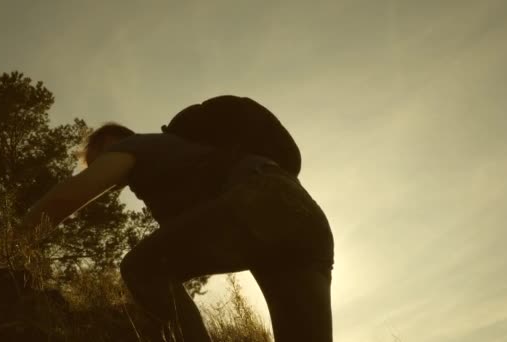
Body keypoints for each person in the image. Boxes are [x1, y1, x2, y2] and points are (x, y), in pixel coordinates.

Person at [20, 103, 334, 341]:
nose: (95, 166)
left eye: (95, 159)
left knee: (143, 268)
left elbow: (65, 199)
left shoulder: (131, 146)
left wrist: (13, 241)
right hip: (306, 218)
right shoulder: (180, 164)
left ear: (110, 144)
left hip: (260, 199)